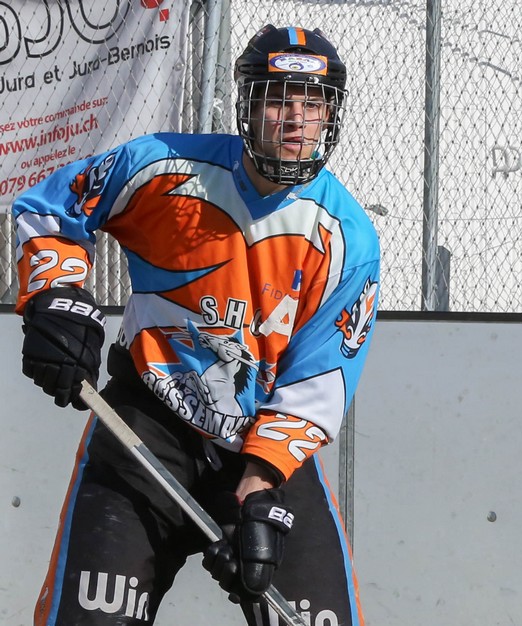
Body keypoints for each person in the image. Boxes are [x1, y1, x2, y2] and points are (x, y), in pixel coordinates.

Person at [14, 24, 378, 625]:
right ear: (247, 107)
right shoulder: (165, 168)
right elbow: (54, 206)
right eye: (277, 99)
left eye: (313, 103)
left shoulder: (348, 239)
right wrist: (55, 295)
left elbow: (318, 382)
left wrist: (257, 489)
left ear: (330, 114)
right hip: (147, 422)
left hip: (262, 446)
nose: (296, 120)